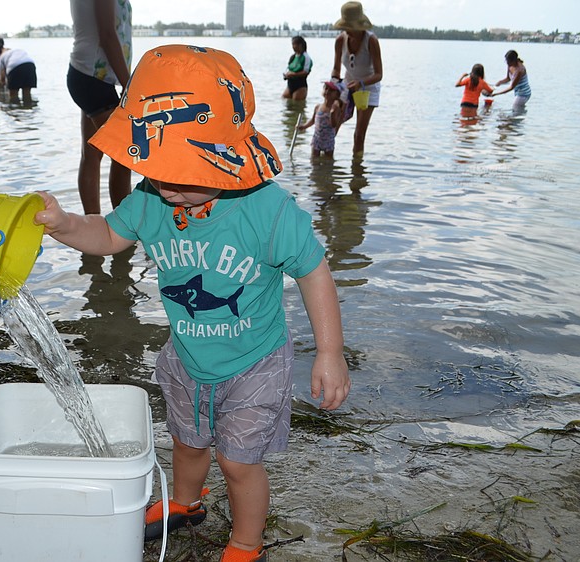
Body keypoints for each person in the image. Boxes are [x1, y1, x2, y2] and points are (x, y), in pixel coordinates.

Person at [35, 45, 351, 562]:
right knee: (186, 441)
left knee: (238, 462)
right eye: (156, 169)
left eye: (178, 172)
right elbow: (110, 236)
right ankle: (186, 501)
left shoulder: (267, 210)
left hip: (256, 362)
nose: (163, 185)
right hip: (187, 355)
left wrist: (329, 352)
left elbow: (314, 270)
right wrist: (67, 224)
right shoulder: (153, 198)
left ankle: (247, 542)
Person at [68, 0, 132, 215]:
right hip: (93, 77)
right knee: (124, 154)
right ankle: (125, 228)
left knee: (91, 154)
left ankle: (92, 224)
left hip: (90, 75)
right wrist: (129, 84)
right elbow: (107, 34)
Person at [330, 1, 382, 156]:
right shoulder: (340, 40)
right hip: (347, 85)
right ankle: (326, 169)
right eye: (346, 28)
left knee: (359, 135)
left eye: (351, 28)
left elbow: (379, 74)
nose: (348, 31)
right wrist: (333, 84)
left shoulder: (371, 40)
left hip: (368, 87)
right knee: (332, 124)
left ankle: (357, 172)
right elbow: (336, 68)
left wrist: (361, 83)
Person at [297, 81, 344, 159]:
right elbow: (313, 121)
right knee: (314, 160)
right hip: (317, 139)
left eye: (331, 90)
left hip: (328, 140)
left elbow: (334, 125)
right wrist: (304, 126)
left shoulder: (335, 109)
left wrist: (332, 114)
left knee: (328, 161)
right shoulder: (318, 107)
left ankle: (326, 170)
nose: (327, 91)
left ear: (337, 95)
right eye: (326, 88)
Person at [282, 35, 312, 101]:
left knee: (296, 104)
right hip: (290, 85)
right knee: (284, 100)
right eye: (292, 44)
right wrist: (286, 75)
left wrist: (293, 74)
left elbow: (306, 72)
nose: (293, 47)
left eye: (294, 44)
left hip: (300, 86)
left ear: (300, 45)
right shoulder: (293, 57)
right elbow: (288, 68)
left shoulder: (306, 57)